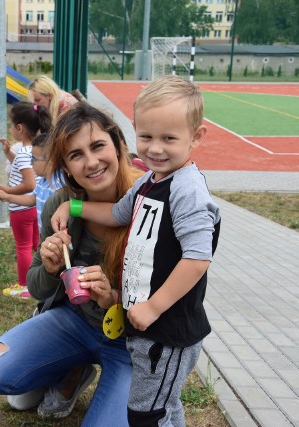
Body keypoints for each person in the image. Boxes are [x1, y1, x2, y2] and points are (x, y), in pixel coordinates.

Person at [51, 75, 222, 425]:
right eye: (146, 137)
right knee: (161, 407)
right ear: (133, 133)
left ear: (197, 136)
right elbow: (117, 213)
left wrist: (154, 306)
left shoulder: (187, 190)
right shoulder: (150, 181)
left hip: (167, 330)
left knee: (148, 414)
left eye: (169, 138)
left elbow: (198, 257)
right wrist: (74, 208)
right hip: (145, 326)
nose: (155, 149)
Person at [0, 103, 144, 425]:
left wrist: (113, 298)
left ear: (118, 145)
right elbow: (37, 286)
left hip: (127, 342)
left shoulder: (148, 202)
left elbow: (167, 297)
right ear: (66, 165)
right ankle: (72, 369)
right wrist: (51, 268)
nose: (91, 162)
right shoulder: (60, 203)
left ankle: (76, 372)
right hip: (74, 323)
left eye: (97, 146)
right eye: (76, 155)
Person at [0, 102, 52, 299]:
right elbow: (24, 171)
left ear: (19, 128)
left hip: (21, 208)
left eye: (12, 126)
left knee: (23, 247)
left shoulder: (23, 155)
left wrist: (7, 191)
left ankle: (24, 286)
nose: (11, 130)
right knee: (36, 245)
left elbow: (28, 183)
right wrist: (8, 152)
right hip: (35, 207)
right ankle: (42, 278)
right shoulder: (34, 152)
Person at [0, 132, 62, 232]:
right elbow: (32, 199)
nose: (30, 162)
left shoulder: (61, 185)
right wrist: (7, 197)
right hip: (44, 238)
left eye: (33, 159)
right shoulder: (42, 181)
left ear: (50, 160)